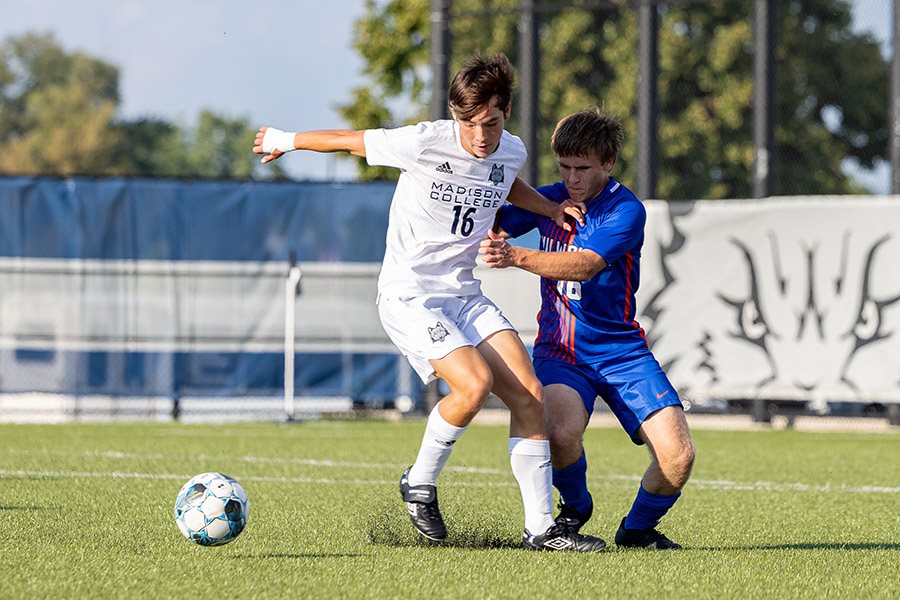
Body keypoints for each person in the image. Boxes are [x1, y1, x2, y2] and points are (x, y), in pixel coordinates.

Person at [253, 52, 607, 552]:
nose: (478, 135)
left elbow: (504, 180)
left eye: (489, 123)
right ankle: (419, 481)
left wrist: (550, 207)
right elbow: (351, 142)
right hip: (410, 296)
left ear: (506, 112)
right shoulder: (424, 141)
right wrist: (283, 141)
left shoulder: (511, 151)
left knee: (530, 394)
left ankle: (541, 530)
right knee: (475, 384)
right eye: (468, 123)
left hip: (463, 294)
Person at [479, 107, 695, 549]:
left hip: (622, 353)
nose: (571, 178)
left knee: (678, 458)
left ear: (608, 164)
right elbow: (491, 218)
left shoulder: (626, 211)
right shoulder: (550, 200)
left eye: (583, 169)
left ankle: (636, 532)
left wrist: (515, 256)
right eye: (564, 167)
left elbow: (584, 266)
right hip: (561, 351)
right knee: (559, 435)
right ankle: (575, 509)